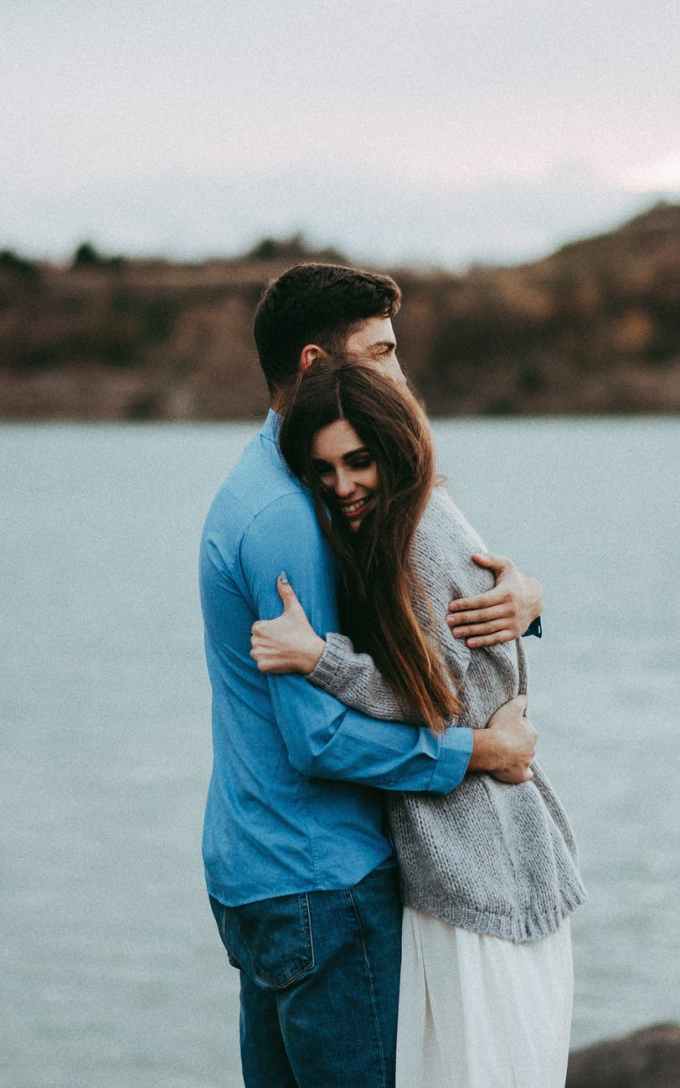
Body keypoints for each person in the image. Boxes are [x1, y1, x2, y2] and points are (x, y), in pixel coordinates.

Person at [199, 263, 543, 1087]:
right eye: (381, 353)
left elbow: (433, 608)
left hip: (260, 868)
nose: (401, 374)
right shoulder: (293, 516)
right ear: (318, 366)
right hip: (323, 881)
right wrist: (481, 754)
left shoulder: (288, 482)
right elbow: (317, 738)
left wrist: (527, 600)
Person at [250, 357, 586, 1087]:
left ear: (394, 447)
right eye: (324, 470)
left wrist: (318, 658)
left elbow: (427, 696)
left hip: (480, 868)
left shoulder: (420, 542)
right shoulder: (412, 521)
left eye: (358, 461)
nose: (342, 486)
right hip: (489, 856)